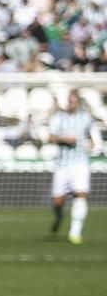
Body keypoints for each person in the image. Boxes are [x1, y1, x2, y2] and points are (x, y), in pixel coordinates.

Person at [47, 90, 101, 244]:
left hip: (80, 163)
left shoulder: (86, 118)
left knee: (81, 194)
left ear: (79, 102)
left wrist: (92, 143)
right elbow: (50, 137)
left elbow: (92, 135)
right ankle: (59, 215)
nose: (71, 104)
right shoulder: (59, 118)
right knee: (58, 201)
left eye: (74, 101)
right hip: (62, 164)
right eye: (70, 101)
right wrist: (62, 139)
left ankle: (75, 232)